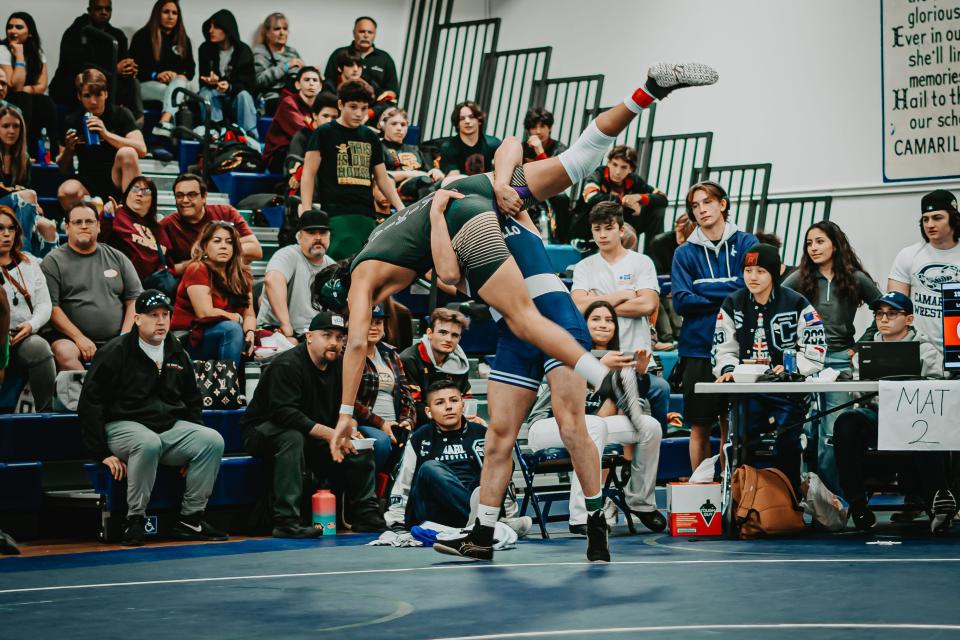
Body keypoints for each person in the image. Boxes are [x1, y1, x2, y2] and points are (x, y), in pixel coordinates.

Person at [309, 62, 719, 562]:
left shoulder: (403, 250)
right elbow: (500, 163)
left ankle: (593, 491)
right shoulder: (481, 209)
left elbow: (448, 278)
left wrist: (346, 413)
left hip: (544, 313)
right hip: (519, 318)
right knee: (504, 432)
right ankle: (490, 533)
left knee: (565, 412)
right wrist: (497, 186)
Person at [78, 289, 228, 546]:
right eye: (153, 315)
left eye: (165, 315)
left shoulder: (176, 350)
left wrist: (192, 450)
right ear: (137, 319)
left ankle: (190, 519)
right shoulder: (116, 351)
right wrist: (101, 451)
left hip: (167, 427)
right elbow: (90, 403)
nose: (161, 321)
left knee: (211, 440)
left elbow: (192, 400)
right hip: (123, 426)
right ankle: (134, 520)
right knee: (147, 442)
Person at [242, 310, 386, 538]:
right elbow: (285, 414)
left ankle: (365, 515)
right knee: (291, 437)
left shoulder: (340, 365)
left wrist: (351, 428)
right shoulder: (287, 365)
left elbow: (348, 406)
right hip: (264, 431)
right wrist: (332, 434)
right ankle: (286, 521)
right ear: (309, 336)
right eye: (327, 335)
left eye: (339, 338)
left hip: (312, 433)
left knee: (360, 447)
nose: (334, 343)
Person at [527, 300, 665, 534]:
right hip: (546, 426)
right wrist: (597, 367)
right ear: (583, 324)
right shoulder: (566, 351)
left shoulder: (621, 358)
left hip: (595, 425)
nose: (604, 324)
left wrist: (638, 376)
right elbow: (565, 401)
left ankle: (640, 501)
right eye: (596, 319)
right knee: (592, 425)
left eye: (609, 320)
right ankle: (583, 515)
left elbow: (632, 410)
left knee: (650, 426)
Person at [833, 291, 954, 532]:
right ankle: (858, 504)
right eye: (879, 314)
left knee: (927, 426)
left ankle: (938, 506)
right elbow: (857, 391)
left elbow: (941, 385)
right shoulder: (865, 352)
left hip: (915, 418)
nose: (884, 319)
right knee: (847, 421)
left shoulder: (926, 350)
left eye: (891, 314)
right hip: (878, 415)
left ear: (908, 319)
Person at [713, 244, 826, 492]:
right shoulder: (733, 303)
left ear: (773, 274)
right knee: (741, 441)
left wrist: (791, 367)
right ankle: (745, 497)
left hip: (788, 393)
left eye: (760, 271)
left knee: (788, 441)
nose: (752, 277)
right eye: (748, 270)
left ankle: (789, 497)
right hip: (747, 392)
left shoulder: (797, 303)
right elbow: (723, 348)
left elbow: (816, 348)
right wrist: (729, 369)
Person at [781, 221, 881, 493]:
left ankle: (834, 498)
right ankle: (804, 496)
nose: (813, 248)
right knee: (806, 431)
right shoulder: (800, 278)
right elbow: (778, 306)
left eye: (820, 241)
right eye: (809, 243)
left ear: (835, 244)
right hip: (806, 361)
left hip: (839, 360)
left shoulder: (857, 278)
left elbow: (883, 311)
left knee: (832, 433)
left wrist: (860, 346)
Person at [673, 180, 758, 473]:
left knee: (729, 425)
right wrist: (729, 293)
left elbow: (749, 288)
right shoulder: (684, 253)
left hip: (738, 347)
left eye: (707, 202)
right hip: (697, 347)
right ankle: (701, 492)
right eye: (695, 206)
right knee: (699, 425)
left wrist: (702, 287)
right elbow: (682, 301)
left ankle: (730, 491)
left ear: (722, 204)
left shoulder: (747, 243)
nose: (701, 210)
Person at [571, 200, 672, 430]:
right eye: (597, 229)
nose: (602, 235)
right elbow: (578, 306)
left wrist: (598, 305)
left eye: (608, 228)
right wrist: (624, 295)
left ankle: (651, 451)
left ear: (621, 228)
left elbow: (647, 304)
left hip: (636, 359)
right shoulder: (584, 267)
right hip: (598, 360)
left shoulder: (641, 262)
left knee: (660, 391)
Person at [299, 79, 403, 260]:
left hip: (366, 216)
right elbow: (308, 174)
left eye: (364, 108)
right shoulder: (323, 133)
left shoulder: (370, 136)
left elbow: (382, 178)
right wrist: (308, 213)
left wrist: (401, 207)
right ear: (340, 104)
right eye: (353, 107)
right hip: (335, 214)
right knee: (334, 273)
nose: (359, 113)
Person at [41, 202, 141, 371]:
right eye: (77, 222)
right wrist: (79, 338)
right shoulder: (53, 262)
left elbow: (134, 299)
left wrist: (124, 336)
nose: (84, 226)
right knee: (64, 352)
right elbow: (52, 308)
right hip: (71, 339)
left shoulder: (117, 257)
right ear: (67, 228)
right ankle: (87, 394)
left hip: (116, 338)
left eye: (89, 221)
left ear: (98, 226)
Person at [386, 380, 488, 530]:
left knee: (498, 464)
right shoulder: (420, 437)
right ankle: (483, 522)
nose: (448, 407)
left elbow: (499, 477)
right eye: (440, 403)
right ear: (428, 412)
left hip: (474, 499)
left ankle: (481, 520)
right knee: (429, 468)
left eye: (454, 400)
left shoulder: (481, 433)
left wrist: (509, 514)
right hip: (434, 514)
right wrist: (396, 523)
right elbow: (403, 483)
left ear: (462, 405)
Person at [171, 221, 255, 369]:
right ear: (204, 246)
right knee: (232, 329)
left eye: (229, 242)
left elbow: (249, 314)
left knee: (271, 340)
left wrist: (250, 333)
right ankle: (227, 387)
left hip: (226, 333)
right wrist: (237, 319)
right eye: (217, 241)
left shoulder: (243, 275)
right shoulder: (197, 269)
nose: (223, 246)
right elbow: (205, 313)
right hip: (190, 337)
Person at [57, 68, 145, 202]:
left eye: (98, 95)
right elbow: (63, 169)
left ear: (106, 94)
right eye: (87, 96)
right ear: (79, 96)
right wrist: (69, 150)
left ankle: (129, 216)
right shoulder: (72, 120)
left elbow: (141, 149)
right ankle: (82, 219)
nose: (93, 101)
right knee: (66, 192)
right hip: (87, 178)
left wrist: (106, 135)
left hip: (116, 176)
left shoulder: (121, 114)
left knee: (128, 153)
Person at [888, 189, 960, 350]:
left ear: (953, 219)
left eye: (937, 218)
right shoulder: (908, 255)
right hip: (920, 349)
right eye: (925, 219)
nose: (930, 224)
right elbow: (894, 308)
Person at [50, 0, 143, 122]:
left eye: (107, 9)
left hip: (109, 84)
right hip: (74, 85)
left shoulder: (117, 35)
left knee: (133, 83)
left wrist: (129, 68)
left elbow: (123, 62)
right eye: (99, 9)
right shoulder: (76, 32)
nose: (103, 12)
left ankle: (134, 126)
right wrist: (114, 69)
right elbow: (77, 67)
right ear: (90, 11)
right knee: (89, 86)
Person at [0, 205, 55, 411]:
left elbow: (44, 304)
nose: (6, 234)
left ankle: (45, 415)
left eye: (11, 228)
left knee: (40, 348)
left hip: (22, 335)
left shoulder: (30, 262)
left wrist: (31, 326)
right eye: (0, 228)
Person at [353, 303, 417, 474]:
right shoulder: (348, 353)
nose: (374, 327)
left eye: (378, 323)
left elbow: (406, 394)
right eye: (369, 322)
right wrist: (381, 424)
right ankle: (368, 495)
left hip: (394, 423)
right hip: (363, 423)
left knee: (419, 441)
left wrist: (407, 421)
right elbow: (349, 400)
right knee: (381, 442)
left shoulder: (391, 354)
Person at [257, 208, 334, 341]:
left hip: (312, 334)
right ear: (299, 236)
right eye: (311, 232)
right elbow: (272, 280)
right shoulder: (287, 255)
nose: (318, 237)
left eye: (323, 232)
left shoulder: (332, 265)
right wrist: (286, 327)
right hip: (275, 329)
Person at [159, 173, 262, 271]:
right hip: (193, 282)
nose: (185, 200)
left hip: (228, 280)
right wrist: (204, 260)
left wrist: (211, 254)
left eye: (192, 195)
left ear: (204, 197)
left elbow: (255, 250)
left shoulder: (226, 213)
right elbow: (166, 270)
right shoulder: (166, 225)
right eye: (179, 195)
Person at [573, 145, 667, 252]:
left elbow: (662, 199)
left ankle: (653, 259)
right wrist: (624, 202)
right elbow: (590, 197)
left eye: (623, 167)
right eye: (614, 164)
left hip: (621, 227)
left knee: (657, 210)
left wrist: (639, 197)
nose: (617, 171)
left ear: (631, 169)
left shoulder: (634, 181)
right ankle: (591, 244)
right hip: (589, 227)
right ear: (608, 162)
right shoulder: (597, 174)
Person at [129, 0, 195, 138]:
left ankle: (164, 123)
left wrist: (180, 75)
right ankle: (165, 127)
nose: (170, 16)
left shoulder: (183, 39)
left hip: (175, 85)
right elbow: (134, 69)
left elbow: (190, 69)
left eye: (174, 13)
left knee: (179, 86)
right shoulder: (142, 36)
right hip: (147, 85)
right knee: (174, 94)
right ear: (157, 14)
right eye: (166, 12)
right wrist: (156, 75)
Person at [399, 307, 472, 426]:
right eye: (443, 332)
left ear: (459, 338)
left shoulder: (460, 363)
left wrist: (472, 418)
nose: (448, 339)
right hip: (418, 424)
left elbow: (466, 397)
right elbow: (413, 405)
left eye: (454, 335)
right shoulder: (409, 359)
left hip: (452, 421)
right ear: (429, 333)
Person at [0, 105, 57, 254]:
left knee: (49, 227)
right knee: (28, 195)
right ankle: (23, 254)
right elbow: (24, 192)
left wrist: (33, 204)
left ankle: (48, 271)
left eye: (16, 126)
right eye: (6, 126)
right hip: (4, 208)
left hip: (17, 208)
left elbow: (24, 188)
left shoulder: (23, 158)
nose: (11, 131)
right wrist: (26, 197)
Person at [0, 13, 59, 157]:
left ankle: (52, 154)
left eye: (18, 27)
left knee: (46, 102)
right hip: (9, 98)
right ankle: (22, 151)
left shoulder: (36, 52)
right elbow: (14, 86)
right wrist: (19, 56)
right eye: (10, 27)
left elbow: (42, 85)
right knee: (23, 99)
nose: (13, 31)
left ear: (30, 32)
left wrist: (28, 89)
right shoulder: (3, 50)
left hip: (29, 97)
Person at [97, 176, 172, 283]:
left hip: (152, 285)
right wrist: (107, 216)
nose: (139, 194)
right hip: (119, 281)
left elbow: (167, 263)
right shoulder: (115, 215)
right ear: (127, 194)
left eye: (146, 191)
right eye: (135, 189)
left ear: (153, 199)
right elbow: (98, 241)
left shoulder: (158, 228)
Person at [198, 9, 257, 139]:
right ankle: (215, 134)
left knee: (245, 96)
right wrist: (211, 81)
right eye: (210, 26)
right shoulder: (205, 49)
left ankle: (249, 138)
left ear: (227, 29)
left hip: (235, 94)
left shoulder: (243, 51)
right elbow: (202, 80)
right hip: (214, 92)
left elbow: (248, 83)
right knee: (205, 94)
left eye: (215, 27)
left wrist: (229, 86)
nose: (210, 30)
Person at [522, 107, 569, 242]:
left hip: (551, 191)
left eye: (542, 126)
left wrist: (539, 150)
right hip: (527, 190)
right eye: (533, 127)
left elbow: (554, 178)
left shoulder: (559, 148)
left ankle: (562, 241)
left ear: (549, 127)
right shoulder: (522, 148)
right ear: (528, 130)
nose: (538, 131)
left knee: (562, 199)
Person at [323, 17, 399, 101]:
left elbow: (392, 92)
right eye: (362, 31)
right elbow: (328, 85)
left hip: (374, 108)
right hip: (341, 105)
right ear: (354, 33)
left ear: (375, 34)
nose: (366, 35)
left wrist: (371, 112)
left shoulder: (385, 59)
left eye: (370, 32)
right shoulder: (339, 54)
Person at [263, 66, 321, 173]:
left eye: (315, 80)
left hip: (305, 151)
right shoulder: (288, 103)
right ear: (297, 85)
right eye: (307, 80)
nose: (311, 83)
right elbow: (303, 131)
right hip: (280, 155)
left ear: (320, 86)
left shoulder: (321, 107)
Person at [380, 107, 443, 203]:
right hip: (399, 188)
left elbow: (427, 171)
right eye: (394, 124)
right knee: (424, 180)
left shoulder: (414, 148)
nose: (399, 128)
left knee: (447, 182)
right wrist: (409, 174)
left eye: (403, 125)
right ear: (384, 125)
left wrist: (435, 170)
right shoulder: (379, 146)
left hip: (423, 185)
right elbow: (378, 175)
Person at [283, 91, 338, 195]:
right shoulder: (302, 136)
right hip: (305, 191)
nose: (330, 121)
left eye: (334, 117)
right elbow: (293, 168)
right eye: (325, 116)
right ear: (315, 115)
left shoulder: (339, 138)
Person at [253, 12, 305, 116]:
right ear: (267, 33)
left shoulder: (292, 52)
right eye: (277, 29)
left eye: (285, 29)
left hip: (295, 95)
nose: (282, 33)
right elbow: (259, 80)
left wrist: (310, 72)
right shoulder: (260, 52)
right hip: (272, 98)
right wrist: (286, 66)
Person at [439, 101, 501, 176]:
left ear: (479, 120)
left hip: (487, 185)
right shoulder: (448, 147)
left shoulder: (494, 144)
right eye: (462, 118)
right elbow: (453, 178)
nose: (467, 121)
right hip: (460, 185)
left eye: (471, 117)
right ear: (457, 124)